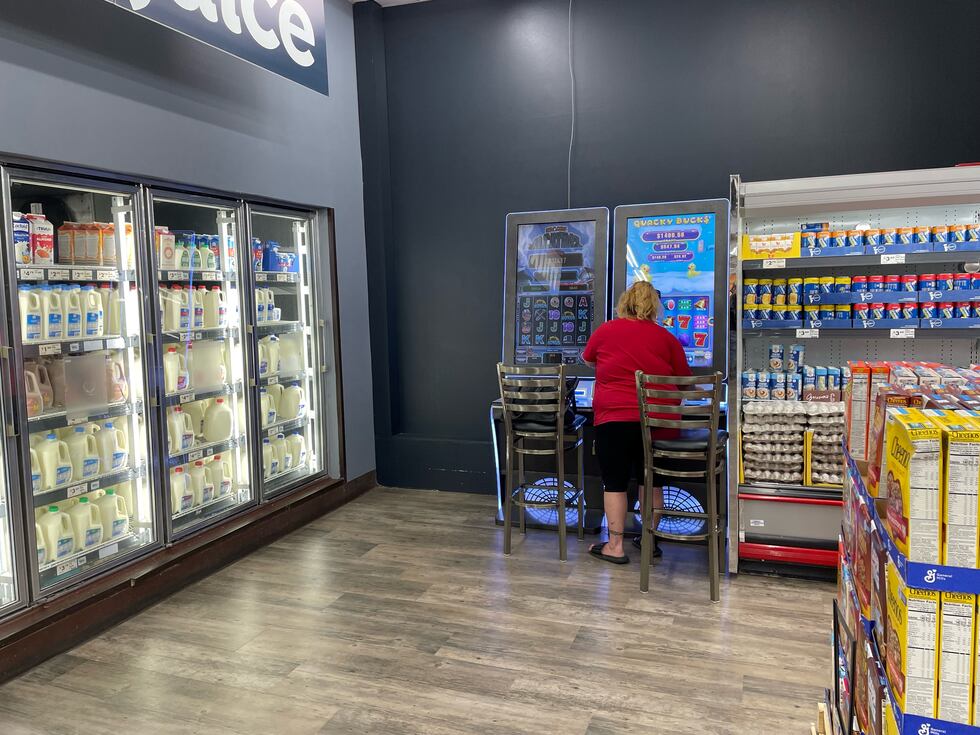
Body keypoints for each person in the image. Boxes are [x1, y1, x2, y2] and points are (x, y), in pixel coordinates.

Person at [582, 281, 692, 564]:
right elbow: (684, 381)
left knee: (614, 483)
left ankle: (615, 546)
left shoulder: (606, 330)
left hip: (613, 419)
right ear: (655, 307)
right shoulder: (666, 338)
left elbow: (588, 360)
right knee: (651, 481)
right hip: (657, 422)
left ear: (623, 303)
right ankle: (648, 540)